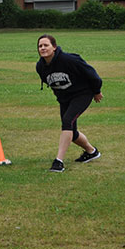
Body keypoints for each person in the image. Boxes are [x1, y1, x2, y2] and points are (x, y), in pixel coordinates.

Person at [36, 34, 103, 173]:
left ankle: (58, 162)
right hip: (65, 98)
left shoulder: (69, 60)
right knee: (71, 131)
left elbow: (91, 74)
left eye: (46, 45)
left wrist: (96, 91)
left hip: (82, 94)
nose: (43, 48)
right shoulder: (40, 66)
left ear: (54, 47)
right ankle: (92, 152)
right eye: (40, 46)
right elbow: (50, 83)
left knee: (67, 121)